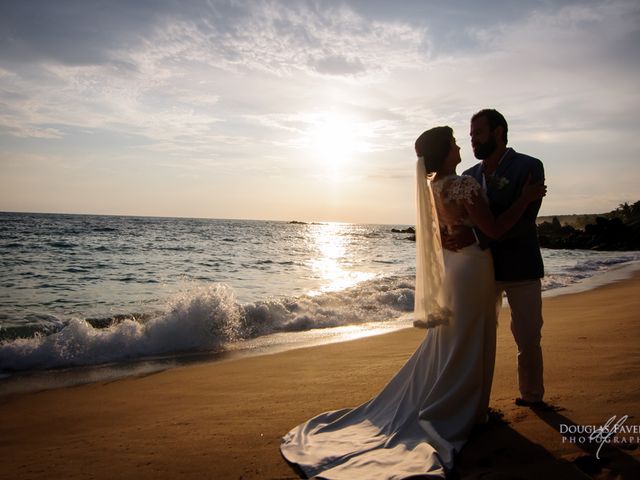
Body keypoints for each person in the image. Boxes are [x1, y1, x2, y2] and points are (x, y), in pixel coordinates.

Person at [279, 126, 545, 479]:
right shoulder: (463, 184)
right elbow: (493, 230)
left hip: (455, 268)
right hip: (474, 267)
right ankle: (458, 411)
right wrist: (525, 200)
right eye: (453, 142)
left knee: (455, 337)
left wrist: (454, 235)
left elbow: (442, 231)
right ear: (445, 152)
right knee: (469, 337)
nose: (458, 145)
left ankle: (467, 407)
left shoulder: (434, 188)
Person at [462, 109, 546, 407]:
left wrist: (489, 231)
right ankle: (476, 403)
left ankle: (532, 396)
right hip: (482, 270)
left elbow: (526, 219)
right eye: (470, 134)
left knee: (527, 336)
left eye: (478, 133)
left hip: (522, 265)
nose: (472, 139)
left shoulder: (529, 166)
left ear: (498, 132)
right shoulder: (468, 176)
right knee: (479, 339)